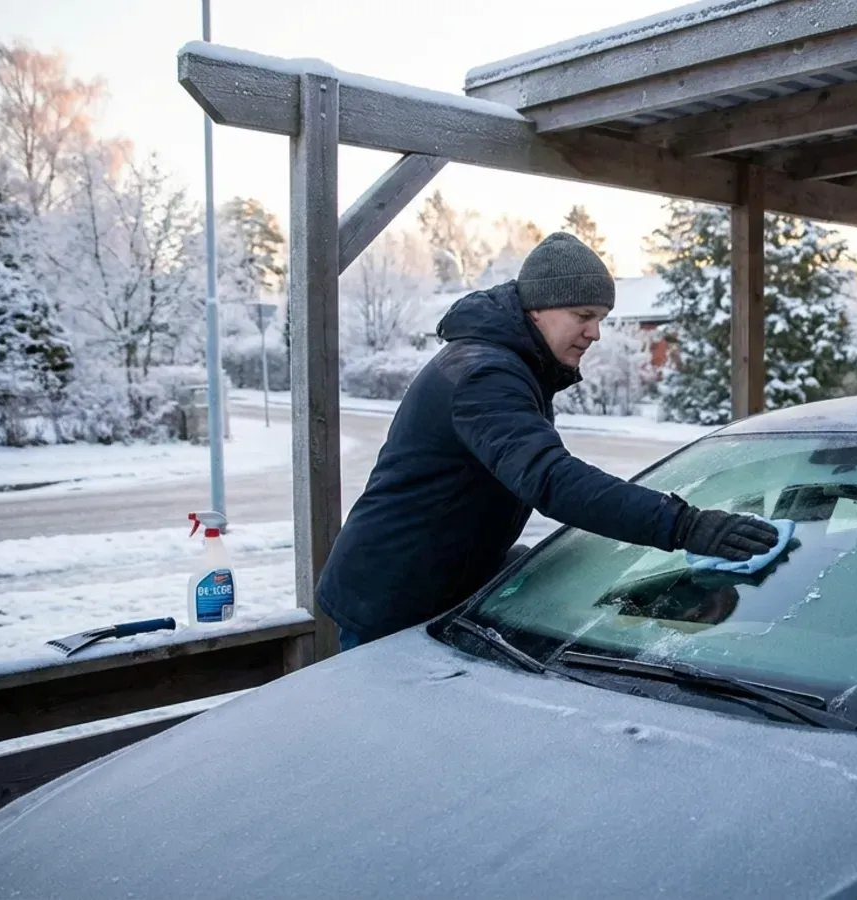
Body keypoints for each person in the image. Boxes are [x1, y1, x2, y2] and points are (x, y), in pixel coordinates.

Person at [316, 232, 780, 651]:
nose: (595, 332)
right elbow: (550, 479)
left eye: (600, 318)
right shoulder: (483, 374)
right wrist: (684, 525)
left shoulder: (513, 365)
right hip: (390, 600)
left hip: (440, 585)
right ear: (537, 307)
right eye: (584, 316)